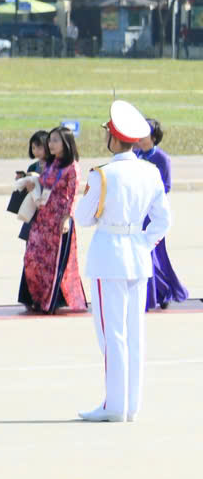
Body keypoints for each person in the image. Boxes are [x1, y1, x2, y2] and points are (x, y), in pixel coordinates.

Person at [76, 101, 173, 422]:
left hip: (108, 256)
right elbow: (162, 220)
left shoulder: (103, 174)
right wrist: (142, 243)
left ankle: (114, 405)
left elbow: (83, 216)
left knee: (111, 334)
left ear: (114, 139)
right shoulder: (151, 172)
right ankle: (130, 404)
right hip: (137, 254)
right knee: (134, 334)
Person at [20, 126, 86, 315]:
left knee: (52, 264)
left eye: (55, 140)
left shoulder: (72, 166)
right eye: (50, 140)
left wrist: (67, 218)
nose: (51, 144)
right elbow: (44, 185)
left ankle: (48, 302)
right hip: (42, 218)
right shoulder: (50, 164)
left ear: (66, 143)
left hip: (58, 221)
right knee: (33, 259)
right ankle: (36, 296)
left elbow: (73, 195)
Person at [134, 121, 185, 310]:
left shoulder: (162, 158)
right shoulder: (136, 155)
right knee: (146, 255)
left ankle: (162, 292)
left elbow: (166, 186)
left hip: (153, 214)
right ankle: (161, 292)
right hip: (138, 212)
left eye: (144, 134)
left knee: (153, 255)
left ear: (153, 137)